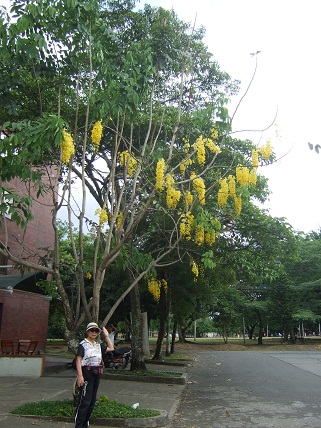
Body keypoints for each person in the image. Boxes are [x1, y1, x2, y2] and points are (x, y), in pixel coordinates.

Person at [74, 322, 114, 428]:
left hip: (96, 373)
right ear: (87, 331)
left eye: (96, 331)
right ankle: (79, 425)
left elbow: (111, 348)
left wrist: (106, 335)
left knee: (92, 401)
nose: (94, 333)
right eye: (92, 330)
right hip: (86, 373)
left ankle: (85, 424)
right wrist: (80, 375)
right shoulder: (83, 344)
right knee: (85, 401)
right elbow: (78, 360)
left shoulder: (98, 345)